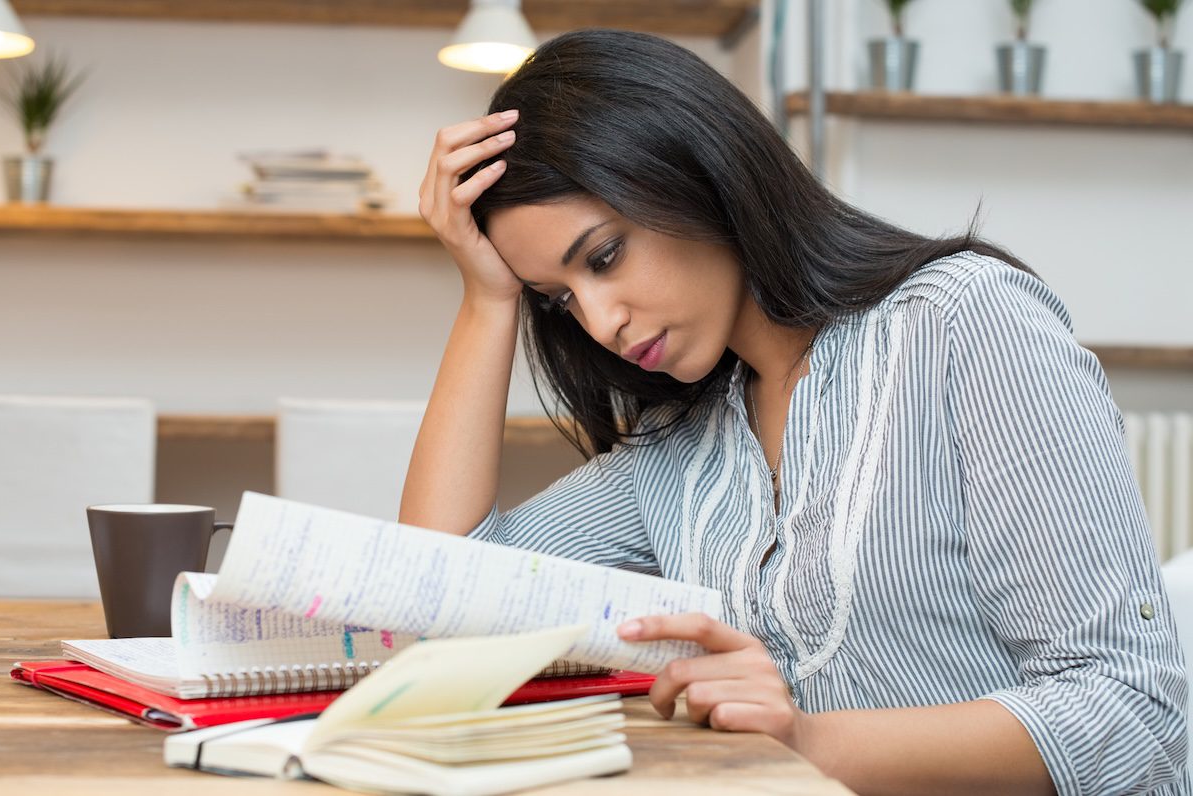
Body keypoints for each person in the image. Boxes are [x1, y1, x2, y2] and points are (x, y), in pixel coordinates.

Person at [401, 28, 1187, 795]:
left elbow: (1131, 711)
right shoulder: (678, 443)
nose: (601, 322)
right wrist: (487, 300)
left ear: (698, 174)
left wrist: (806, 742)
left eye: (604, 256)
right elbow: (446, 597)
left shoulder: (964, 326)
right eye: (561, 299)